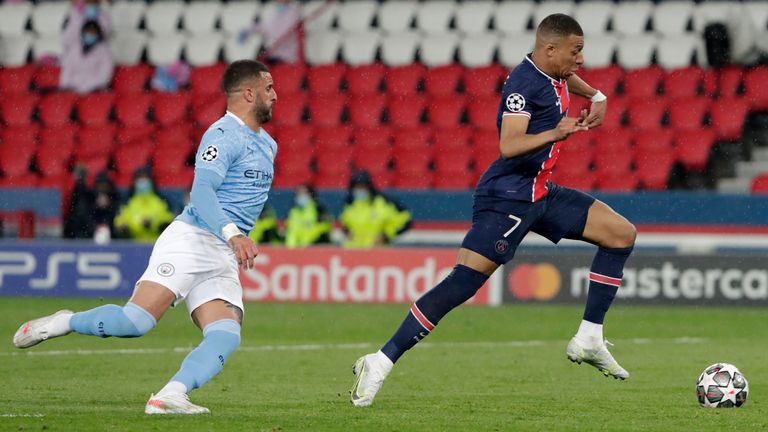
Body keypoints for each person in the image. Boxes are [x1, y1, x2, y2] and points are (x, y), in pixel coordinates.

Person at [349, 14, 637, 407]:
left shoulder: (551, 69)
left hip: (539, 192)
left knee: (620, 234)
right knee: (463, 282)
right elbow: (509, 144)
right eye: (576, 51)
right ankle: (380, 361)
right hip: (508, 196)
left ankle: (589, 337)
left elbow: (566, 77)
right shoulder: (522, 84)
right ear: (550, 49)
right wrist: (557, 131)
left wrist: (597, 96)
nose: (581, 59)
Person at [13, 60, 278, 415]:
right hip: (194, 239)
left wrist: (233, 238)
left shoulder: (268, 145)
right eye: (268, 88)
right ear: (249, 93)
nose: (275, 95)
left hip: (223, 252)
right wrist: (233, 234)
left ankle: (170, 394)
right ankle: (63, 322)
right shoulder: (222, 134)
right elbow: (201, 192)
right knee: (135, 322)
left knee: (226, 334)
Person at [340, 170, 411, 248]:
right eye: (357, 187)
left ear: (369, 187)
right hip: (353, 251)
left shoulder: (383, 203)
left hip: (378, 252)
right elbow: (345, 223)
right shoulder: (349, 204)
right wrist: (346, 232)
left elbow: (404, 220)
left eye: (363, 186)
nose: (360, 190)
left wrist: (386, 235)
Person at [59, 0, 114, 94]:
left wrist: (85, 89)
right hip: (72, 90)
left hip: (93, 91)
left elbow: (103, 77)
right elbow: (66, 73)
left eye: (92, 32)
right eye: (88, 32)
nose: (90, 34)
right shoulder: (75, 49)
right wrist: (67, 87)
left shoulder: (105, 52)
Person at [114, 167, 175, 242]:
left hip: (157, 244)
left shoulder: (161, 201)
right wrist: (124, 227)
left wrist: (152, 224)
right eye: (140, 178)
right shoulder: (127, 202)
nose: (142, 182)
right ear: (134, 182)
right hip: (133, 246)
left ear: (151, 181)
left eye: (145, 178)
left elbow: (168, 219)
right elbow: (120, 219)